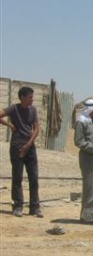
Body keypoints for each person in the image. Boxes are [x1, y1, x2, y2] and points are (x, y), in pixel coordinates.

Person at [0, 86, 43, 218]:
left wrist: (29, 144)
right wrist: (10, 125)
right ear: (22, 97)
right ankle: (18, 206)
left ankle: (34, 207)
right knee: (17, 176)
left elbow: (36, 128)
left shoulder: (33, 110)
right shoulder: (14, 109)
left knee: (33, 176)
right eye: (30, 97)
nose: (32, 99)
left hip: (30, 146)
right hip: (17, 145)